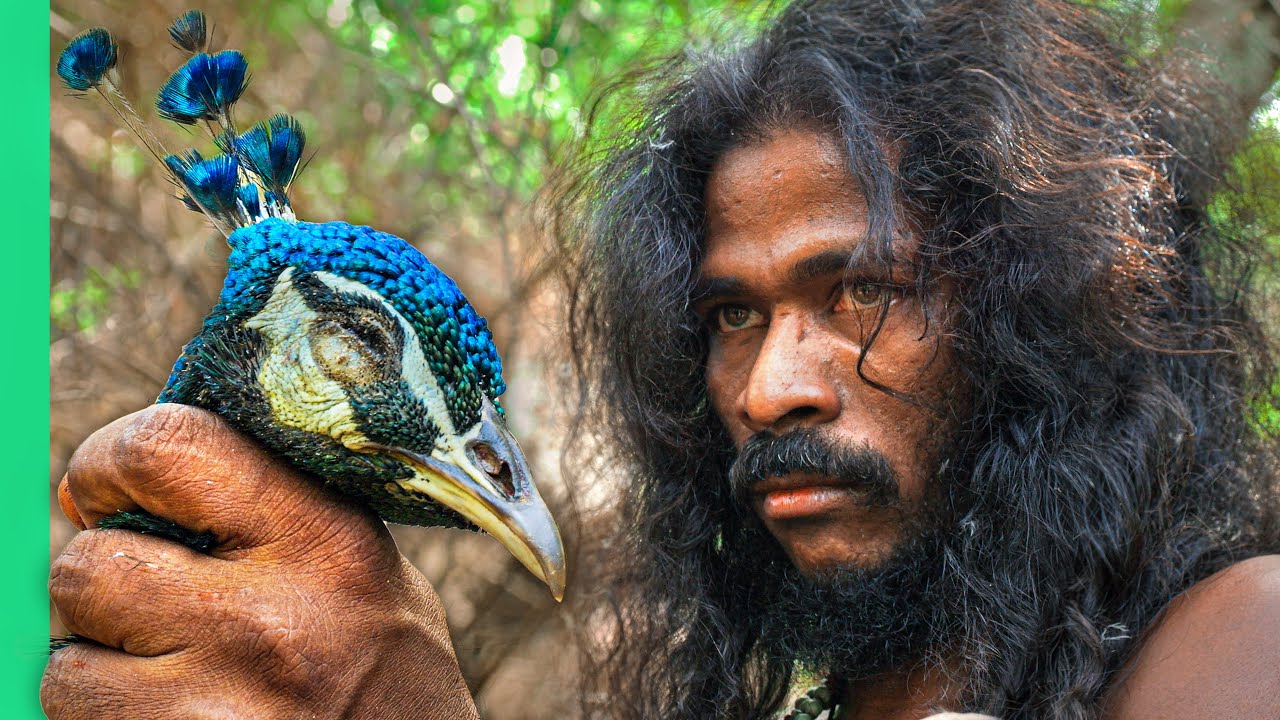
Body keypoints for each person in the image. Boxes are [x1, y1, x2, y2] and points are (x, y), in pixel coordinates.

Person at [44, 0, 1280, 718]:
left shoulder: (1245, 642)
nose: (766, 386)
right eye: (729, 317)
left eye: (860, 291)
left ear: (1029, 320)